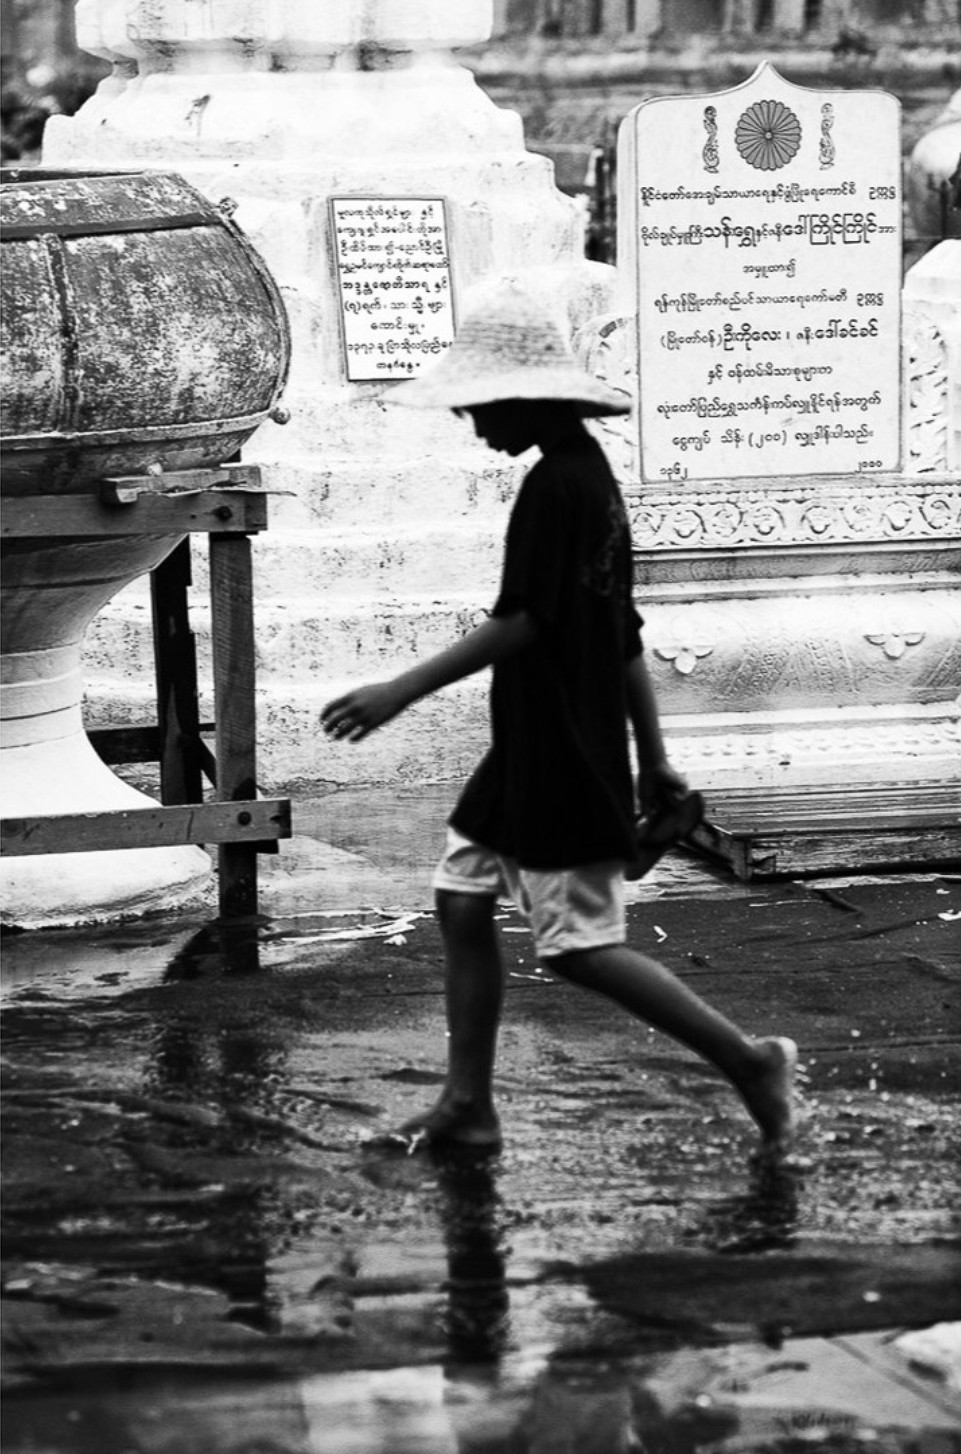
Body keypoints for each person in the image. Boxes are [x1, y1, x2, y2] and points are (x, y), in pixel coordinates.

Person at [321, 282, 797, 1159]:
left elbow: (524, 622)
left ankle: (749, 1061)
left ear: (524, 399)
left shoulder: (556, 488)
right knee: (460, 898)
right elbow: (622, 632)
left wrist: (398, 691)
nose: (471, 422)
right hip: (532, 746)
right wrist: (653, 759)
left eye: (479, 405)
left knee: (578, 948)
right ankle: (467, 1104)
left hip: (561, 752)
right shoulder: (589, 478)